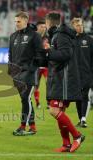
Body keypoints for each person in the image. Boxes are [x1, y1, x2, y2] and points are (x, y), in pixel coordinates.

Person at [45, 12, 85, 153]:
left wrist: (49, 52)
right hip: (58, 79)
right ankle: (66, 144)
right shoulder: (56, 35)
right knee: (59, 112)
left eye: (46, 23)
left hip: (64, 80)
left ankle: (77, 136)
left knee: (54, 110)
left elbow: (65, 54)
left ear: (49, 23)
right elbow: (54, 58)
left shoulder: (60, 35)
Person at [8, 11, 44, 136]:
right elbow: (10, 55)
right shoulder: (13, 36)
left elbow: (40, 54)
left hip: (29, 72)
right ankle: (33, 126)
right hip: (17, 74)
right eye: (15, 21)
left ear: (26, 21)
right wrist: (11, 71)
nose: (16, 24)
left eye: (18, 21)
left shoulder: (34, 36)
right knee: (25, 100)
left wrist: (32, 67)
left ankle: (23, 126)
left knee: (25, 98)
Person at [71, 17, 93, 128]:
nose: (79, 27)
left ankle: (84, 119)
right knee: (77, 97)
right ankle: (81, 119)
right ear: (73, 27)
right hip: (75, 74)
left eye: (81, 25)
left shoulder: (89, 40)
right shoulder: (71, 40)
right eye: (77, 25)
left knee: (85, 95)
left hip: (87, 73)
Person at [34, 20, 49, 109]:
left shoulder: (48, 38)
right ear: (37, 27)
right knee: (36, 85)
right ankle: (38, 103)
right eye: (41, 27)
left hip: (47, 66)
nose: (43, 28)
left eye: (44, 27)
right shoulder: (33, 38)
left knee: (49, 84)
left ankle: (48, 102)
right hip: (36, 66)